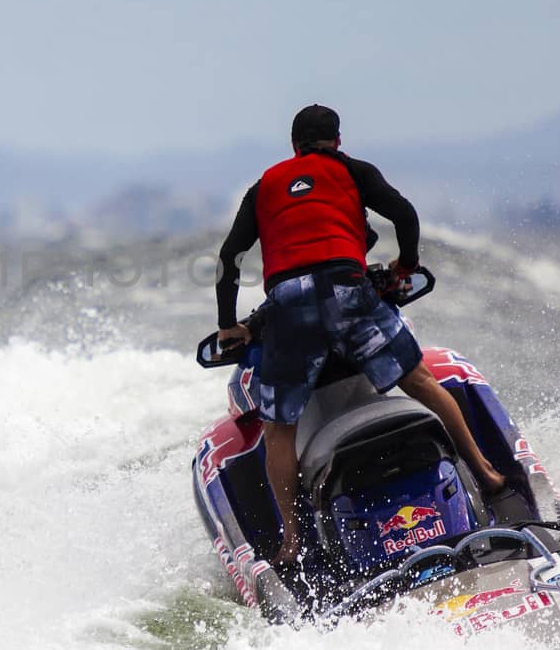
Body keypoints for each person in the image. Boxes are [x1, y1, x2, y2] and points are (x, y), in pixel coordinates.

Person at [215, 104, 506, 565]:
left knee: (278, 430)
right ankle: (486, 472)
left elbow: (229, 257)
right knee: (421, 382)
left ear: (293, 145)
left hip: (289, 307)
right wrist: (404, 267)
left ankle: (292, 540)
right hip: (349, 290)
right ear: (337, 140)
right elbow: (405, 215)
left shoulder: (264, 186)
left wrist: (228, 323)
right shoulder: (351, 170)